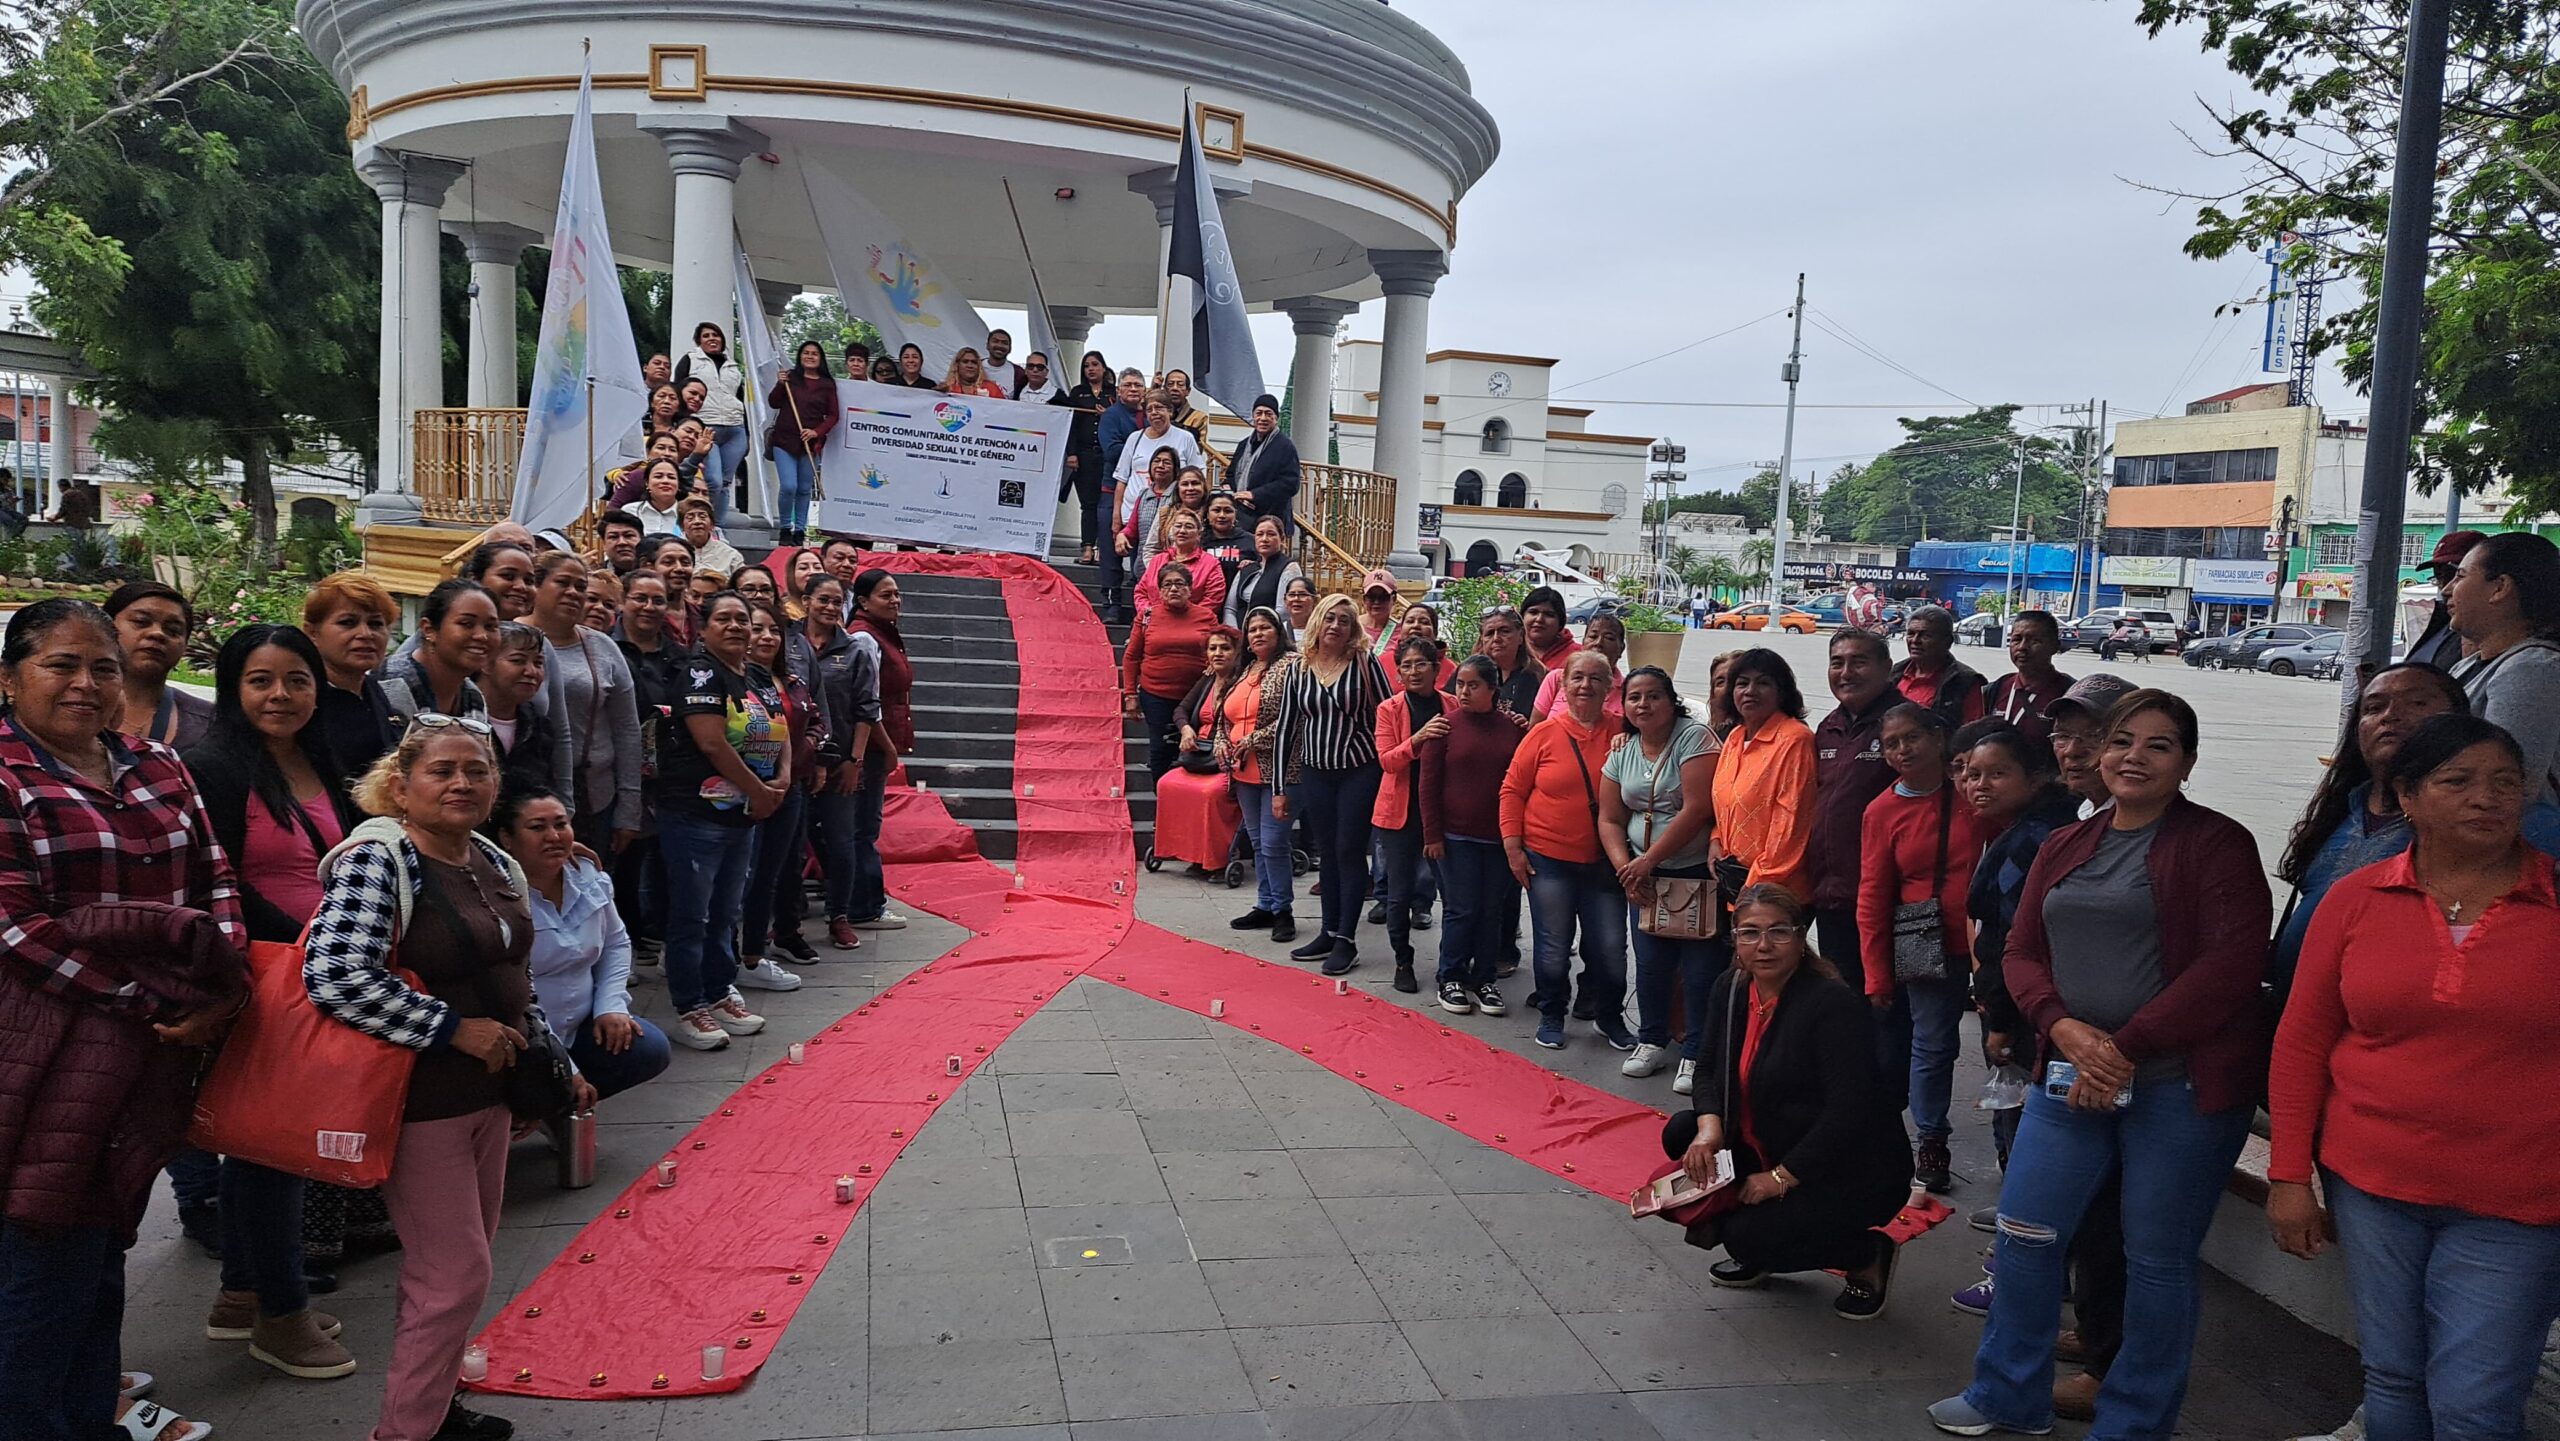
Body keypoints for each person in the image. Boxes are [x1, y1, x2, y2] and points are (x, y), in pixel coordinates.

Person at [1930, 690, 2272, 1441]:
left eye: (2158, 744)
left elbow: (2232, 964)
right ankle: (2006, 1395)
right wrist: (2061, 1025)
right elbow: (2020, 950)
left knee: (2156, 1258)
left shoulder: (2217, 843)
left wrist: (2123, 1047)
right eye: (2122, 740)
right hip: (2066, 1072)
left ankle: (2135, 1420)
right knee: (2025, 1233)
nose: (2133, 757)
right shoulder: (2066, 843)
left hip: (2177, 1087)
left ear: (2186, 761)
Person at [2267, 710, 2560, 1441]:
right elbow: (2303, 1039)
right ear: (2407, 796)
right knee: (2393, 1379)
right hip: (2372, 1184)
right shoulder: (2357, 898)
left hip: (2517, 1199)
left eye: (2504, 783)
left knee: (2474, 1404)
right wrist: (2287, 1174)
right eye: (2458, 781)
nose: (2487, 797)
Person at [0, 599, 251, 1441]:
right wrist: (152, 1002)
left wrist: (226, 983)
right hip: (44, 1048)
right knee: (39, 1251)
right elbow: (16, 927)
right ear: (10, 678)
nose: (85, 683)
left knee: (105, 1238)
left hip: (153, 1048)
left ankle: (86, 1416)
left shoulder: (156, 765)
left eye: (101, 667)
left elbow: (214, 878)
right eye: (60, 665)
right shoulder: (5, 775)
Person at [303, 719, 557, 1441]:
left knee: (458, 1272)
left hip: (490, 1096)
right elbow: (334, 974)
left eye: (476, 770)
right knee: (453, 1277)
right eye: (441, 770)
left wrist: (539, 1065)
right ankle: (406, 1430)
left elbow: (516, 974)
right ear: (402, 784)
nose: (461, 783)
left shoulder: (491, 859)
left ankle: (437, 1409)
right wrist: (452, 1028)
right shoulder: (380, 858)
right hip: (420, 1101)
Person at [181, 625, 363, 1377]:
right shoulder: (214, 766)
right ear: (233, 687)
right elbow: (215, 877)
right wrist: (309, 942)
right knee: (271, 1145)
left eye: (296, 679)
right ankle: (280, 1317)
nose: (280, 695)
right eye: (261, 680)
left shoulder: (317, 758)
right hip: (265, 973)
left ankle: (240, 1296)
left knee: (268, 1137)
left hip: (317, 970)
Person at [1663, 883, 1911, 1316]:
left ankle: (1864, 1254)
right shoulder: (1732, 986)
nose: (1764, 946)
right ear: (1735, 939)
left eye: (1779, 932)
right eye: (1750, 933)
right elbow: (1706, 1068)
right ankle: (1765, 1233)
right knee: (1683, 1134)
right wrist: (1709, 1130)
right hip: (1771, 1136)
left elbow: (1848, 1111)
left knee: (1747, 1234)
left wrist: (1780, 1178)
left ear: (1801, 938)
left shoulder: (1831, 1003)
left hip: (1847, 1163)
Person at [2271, 663, 2474, 996]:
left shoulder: (2493, 823)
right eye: (2374, 708)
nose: (2391, 715)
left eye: (2418, 703)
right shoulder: (2339, 812)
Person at [1855, 703, 1988, 1194]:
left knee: (2001, 1046)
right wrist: (1876, 973)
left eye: (1912, 737)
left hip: (1989, 942)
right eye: (1891, 743)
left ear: (1938, 738)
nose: (1903, 750)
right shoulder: (1882, 811)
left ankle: (2009, 1144)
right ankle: (1931, 1138)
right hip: (1925, 942)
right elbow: (1872, 895)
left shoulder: (1974, 792)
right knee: (1933, 1044)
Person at [654, 591, 787, 1050]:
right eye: (724, 619)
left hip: (745, 816)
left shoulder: (755, 675)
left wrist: (781, 783)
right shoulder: (700, 672)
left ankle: (718, 989)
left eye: (743, 620)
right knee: (693, 913)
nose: (736, 627)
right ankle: (690, 1004)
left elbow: (778, 726)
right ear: (704, 628)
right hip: (696, 813)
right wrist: (759, 791)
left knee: (727, 911)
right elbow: (712, 743)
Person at [495, 788, 670, 1102]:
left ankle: (559, 1109)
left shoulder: (585, 873)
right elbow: (512, 995)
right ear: (507, 839)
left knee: (650, 1047)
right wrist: (566, 1068)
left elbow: (616, 942)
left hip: (582, 1024)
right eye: (537, 828)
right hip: (527, 1034)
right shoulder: (497, 897)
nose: (553, 836)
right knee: (541, 1081)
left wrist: (611, 1006)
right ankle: (535, 1107)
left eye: (561, 825)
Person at [1501, 649, 1634, 1052]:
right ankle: (1553, 1013)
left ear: (1610, 685)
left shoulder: (1625, 733)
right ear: (1562, 683)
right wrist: (1513, 848)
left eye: (1596, 678)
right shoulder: (1543, 734)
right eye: (1577, 677)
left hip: (1604, 862)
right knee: (1554, 945)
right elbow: (1512, 790)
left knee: (1610, 946)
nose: (1586, 686)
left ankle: (1609, 1016)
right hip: (1549, 859)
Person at [1600, 665, 1722, 1092]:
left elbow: (1698, 809)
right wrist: (1626, 867)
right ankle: (1651, 1040)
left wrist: (1647, 860)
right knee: (1651, 962)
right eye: (1634, 697)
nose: (1643, 704)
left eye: (1653, 696)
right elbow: (1610, 817)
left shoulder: (1694, 738)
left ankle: (1696, 1052)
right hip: (1641, 875)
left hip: (1690, 870)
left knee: (1700, 966)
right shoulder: (1623, 750)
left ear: (1672, 701)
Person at [1270, 594, 1393, 975]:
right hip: (1315, 771)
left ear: (1353, 628)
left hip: (1359, 769)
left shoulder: (1364, 663)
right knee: (1326, 852)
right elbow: (1287, 728)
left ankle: (1346, 940)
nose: (1336, 626)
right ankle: (1327, 931)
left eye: (1344, 620)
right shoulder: (1299, 669)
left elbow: (1389, 713)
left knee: (1349, 850)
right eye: (1329, 619)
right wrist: (1278, 787)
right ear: (1318, 624)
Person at [1421, 654, 1524, 1019]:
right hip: (1455, 836)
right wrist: (1432, 834)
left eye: (1473, 685)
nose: (1463, 691)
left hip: (1499, 838)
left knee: (1491, 910)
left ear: (1492, 689)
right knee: (1461, 908)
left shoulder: (1512, 729)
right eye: (1460, 684)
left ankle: (1484, 977)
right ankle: (1451, 975)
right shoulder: (1444, 727)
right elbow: (1428, 786)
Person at [527, 552, 644, 857]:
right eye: (562, 583)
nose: (573, 593)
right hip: (527, 793)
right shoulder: (511, 638)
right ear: (536, 586)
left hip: (596, 796)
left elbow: (627, 730)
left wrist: (629, 808)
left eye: (580, 586)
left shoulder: (602, 647)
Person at [735, 599, 822, 992]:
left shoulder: (791, 680)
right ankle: (728, 957)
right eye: (757, 628)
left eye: (774, 630)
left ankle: (753, 954)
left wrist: (793, 768)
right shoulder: (732, 679)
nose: (767, 637)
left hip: (789, 787)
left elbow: (804, 724)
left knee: (771, 874)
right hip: (741, 790)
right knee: (741, 878)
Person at [2443, 529, 2560, 799]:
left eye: (2460, 576)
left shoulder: (2532, 670)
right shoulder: (2468, 666)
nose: (2448, 590)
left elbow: (2505, 789)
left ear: (2500, 588)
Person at [793, 573, 876, 955]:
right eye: (821, 600)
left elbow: (866, 710)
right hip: (792, 763)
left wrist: (855, 760)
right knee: (790, 844)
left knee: (842, 843)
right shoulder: (786, 641)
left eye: (835, 601)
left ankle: (839, 916)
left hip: (841, 760)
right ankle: (787, 920)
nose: (828, 607)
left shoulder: (854, 650)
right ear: (806, 600)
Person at [1806, 629, 1898, 969]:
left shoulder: (1905, 725)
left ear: (1887, 667)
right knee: (1843, 1000)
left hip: (1886, 897)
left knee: (1885, 1008)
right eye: (1837, 663)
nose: (1846, 672)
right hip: (1832, 894)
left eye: (1858, 662)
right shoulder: (1828, 726)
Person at [1370, 636, 1453, 993]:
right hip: (1399, 812)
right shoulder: (1389, 709)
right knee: (1399, 894)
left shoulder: (1452, 704)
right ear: (1398, 672)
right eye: (1406, 665)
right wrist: (1417, 739)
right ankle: (1403, 959)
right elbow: (1387, 760)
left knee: (1452, 892)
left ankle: (1452, 964)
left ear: (1436, 669)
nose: (1414, 671)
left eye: (1422, 664)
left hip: (1443, 812)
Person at [1712, 649, 1817, 900]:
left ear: (1782, 692)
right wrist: (1715, 841)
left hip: (1775, 893)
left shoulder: (1794, 739)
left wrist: (1756, 887)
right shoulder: (1735, 738)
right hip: (1735, 883)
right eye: (1742, 683)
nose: (1750, 691)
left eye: (1763, 683)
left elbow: (1791, 825)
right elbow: (1725, 805)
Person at [843, 569, 914, 930]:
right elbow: (867, 703)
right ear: (863, 601)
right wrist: (886, 748)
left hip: (875, 742)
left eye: (897, 594)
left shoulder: (881, 634)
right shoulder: (866, 640)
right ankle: (864, 906)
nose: (895, 601)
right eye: (886, 595)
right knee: (863, 828)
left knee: (863, 825)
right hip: (869, 745)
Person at [1221, 607, 1296, 941]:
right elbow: (1226, 716)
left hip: (1280, 767)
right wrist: (1221, 742)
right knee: (1257, 841)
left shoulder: (1291, 666)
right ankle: (1265, 904)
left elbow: (1295, 718)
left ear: (1278, 632)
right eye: (1252, 630)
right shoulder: (1245, 669)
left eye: (1265, 627)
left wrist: (1252, 739)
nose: (1258, 634)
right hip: (1243, 770)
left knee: (1274, 842)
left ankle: (1283, 910)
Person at [1162, 626, 1248, 879]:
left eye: (1225, 648)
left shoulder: (1244, 682)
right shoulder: (1207, 679)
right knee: (1167, 784)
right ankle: (1188, 853)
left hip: (1227, 759)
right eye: (1213, 648)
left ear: (1236, 652)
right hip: (1198, 755)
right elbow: (1181, 709)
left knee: (1211, 793)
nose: (1218, 653)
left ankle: (1216, 859)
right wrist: (1186, 728)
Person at [1122, 563, 1216, 779]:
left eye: (1179, 584)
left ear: (1190, 589)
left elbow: (1219, 648)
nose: (1174, 589)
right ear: (1160, 590)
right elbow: (1131, 657)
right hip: (1156, 695)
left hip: (1196, 696)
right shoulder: (1146, 617)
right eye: (1167, 585)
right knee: (1160, 749)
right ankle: (1161, 800)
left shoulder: (1207, 616)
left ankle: (1185, 799)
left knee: (1194, 747)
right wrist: (1129, 695)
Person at [302, 570, 400, 776]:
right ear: (312, 632)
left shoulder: (372, 689)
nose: (365, 634)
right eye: (348, 622)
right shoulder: (304, 703)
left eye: (376, 624)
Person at [376, 579, 496, 731]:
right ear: (429, 630)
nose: (482, 636)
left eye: (491, 627)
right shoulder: (392, 686)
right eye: (467, 624)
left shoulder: (473, 697)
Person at [104, 580, 211, 748]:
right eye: (141, 621)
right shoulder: (68, 707)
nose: (157, 633)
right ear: (105, 628)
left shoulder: (210, 724)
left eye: (173, 630)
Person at [674, 322, 749, 527]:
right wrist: (683, 420)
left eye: (715, 335)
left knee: (725, 483)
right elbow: (679, 390)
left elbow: (739, 398)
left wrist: (747, 435)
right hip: (707, 427)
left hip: (735, 427)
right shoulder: (690, 360)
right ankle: (700, 522)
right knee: (713, 480)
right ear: (699, 341)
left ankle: (719, 528)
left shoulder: (732, 365)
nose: (711, 339)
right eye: (706, 336)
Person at [767, 339, 839, 548]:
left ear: (820, 358)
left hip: (810, 444)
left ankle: (800, 530)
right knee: (789, 486)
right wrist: (780, 384)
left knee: (804, 488)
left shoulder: (827, 384)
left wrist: (816, 432)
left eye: (814, 353)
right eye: (806, 352)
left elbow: (834, 416)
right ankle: (785, 527)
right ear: (800, 356)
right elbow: (773, 402)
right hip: (785, 440)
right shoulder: (790, 378)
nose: (809, 356)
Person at [481, 623, 558, 800]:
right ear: (485, 663)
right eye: (517, 661)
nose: (531, 672)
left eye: (538, 663)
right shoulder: (459, 717)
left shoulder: (539, 727)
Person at [2401, 529, 2486, 670]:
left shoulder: (2492, 640)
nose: (2446, 588)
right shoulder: (2444, 621)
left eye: (2458, 576)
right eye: (2439, 576)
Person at [1985, 610, 2073, 748]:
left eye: (2034, 640)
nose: (2022, 647)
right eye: (2016, 639)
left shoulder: (2070, 694)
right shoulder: (1996, 689)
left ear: (2055, 646)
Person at [1060, 352, 1117, 564]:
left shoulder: (1114, 394)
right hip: (1083, 456)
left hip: (1107, 457)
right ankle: (1086, 548)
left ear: (1103, 367)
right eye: (1086, 366)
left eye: (1095, 364)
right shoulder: (1078, 393)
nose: (1091, 369)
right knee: (1088, 504)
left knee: (1107, 504)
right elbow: (1071, 426)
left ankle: (1103, 547)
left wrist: (1108, 415)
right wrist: (1071, 453)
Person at [1895, 605, 1987, 725]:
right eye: (1911, 634)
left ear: (1947, 642)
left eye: (1926, 635)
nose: (1915, 641)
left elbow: (1973, 733)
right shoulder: (1894, 674)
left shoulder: (1965, 682)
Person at [1111, 391, 1207, 505]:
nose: (1154, 412)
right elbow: (1121, 480)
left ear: (1170, 411)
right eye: (1149, 409)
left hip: (1171, 510)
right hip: (1131, 511)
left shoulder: (1185, 437)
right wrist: (1116, 517)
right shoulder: (1134, 438)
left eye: (1159, 407)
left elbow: (1198, 474)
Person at [1134, 505, 1229, 618]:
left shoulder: (1210, 563)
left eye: (1189, 527)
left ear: (1199, 534)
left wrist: (1186, 618)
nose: (1182, 531)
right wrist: (1151, 614)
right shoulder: (1157, 560)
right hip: (1154, 621)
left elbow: (1214, 598)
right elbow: (1141, 592)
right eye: (1178, 526)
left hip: (1193, 624)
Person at [1226, 393, 1301, 532]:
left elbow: (1290, 483)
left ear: (1276, 418)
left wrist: (1254, 495)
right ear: (1253, 416)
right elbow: (1231, 474)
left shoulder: (1285, 446)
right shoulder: (1244, 445)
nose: (1263, 418)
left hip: (1270, 517)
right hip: (1241, 515)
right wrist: (1232, 492)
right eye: (1258, 413)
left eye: (1268, 414)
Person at [1532, 610, 1625, 721]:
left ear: (1621, 649)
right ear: (1583, 643)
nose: (1598, 643)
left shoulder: (1628, 690)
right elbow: (1535, 729)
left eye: (1609, 638)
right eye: (1593, 636)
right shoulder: (1556, 679)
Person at [1225, 514, 1305, 628]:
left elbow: (1283, 612)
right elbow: (1230, 609)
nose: (1264, 539)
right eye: (1260, 534)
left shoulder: (1289, 568)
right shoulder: (1247, 568)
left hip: (1269, 634)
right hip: (1239, 636)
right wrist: (1234, 633)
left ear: (1282, 539)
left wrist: (1256, 631)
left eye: (1271, 534)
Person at [1473, 604, 1544, 720]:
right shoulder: (1468, 673)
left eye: (1504, 631)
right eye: (1489, 633)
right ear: (1482, 639)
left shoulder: (1539, 676)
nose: (1496, 638)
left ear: (1520, 636)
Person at [1520, 586, 1579, 674]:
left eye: (1549, 614)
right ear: (1522, 617)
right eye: (1533, 612)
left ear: (1561, 622)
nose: (1539, 619)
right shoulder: (1511, 650)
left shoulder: (1578, 655)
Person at [630, 457, 685, 535]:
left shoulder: (687, 514)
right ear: (647, 483)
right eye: (658, 476)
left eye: (671, 477)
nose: (665, 481)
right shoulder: (630, 511)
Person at [1201, 491, 1247, 584]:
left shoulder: (1250, 541)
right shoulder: (1198, 541)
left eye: (1228, 511)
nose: (1222, 515)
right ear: (1207, 514)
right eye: (1216, 510)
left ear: (1235, 514)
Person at [1162, 369, 1211, 444]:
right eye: (1170, 384)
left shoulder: (1198, 417)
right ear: (1164, 389)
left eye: (1180, 385)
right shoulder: (1156, 414)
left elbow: (1197, 449)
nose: (1175, 388)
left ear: (1188, 391)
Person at [942, 345, 1007, 398]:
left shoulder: (991, 388)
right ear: (957, 365)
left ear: (979, 367)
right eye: (965, 362)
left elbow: (1003, 410)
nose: (970, 366)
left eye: (974, 362)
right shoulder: (946, 388)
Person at [598, 509, 648, 576]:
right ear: (603, 544)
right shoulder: (595, 577)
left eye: (628, 535)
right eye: (613, 537)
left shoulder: (658, 575)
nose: (622, 542)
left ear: (642, 539)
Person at [979, 329, 1021, 397]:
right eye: (995, 341)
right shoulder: (975, 366)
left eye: (1004, 343)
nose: (999, 345)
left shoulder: (1019, 374)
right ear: (987, 345)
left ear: (1010, 349)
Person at [1281, 575, 1319, 643]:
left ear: (1315, 600)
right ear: (1285, 600)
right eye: (1292, 595)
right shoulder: (1280, 631)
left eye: (1302, 594)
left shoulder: (1322, 631)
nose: (1296, 599)